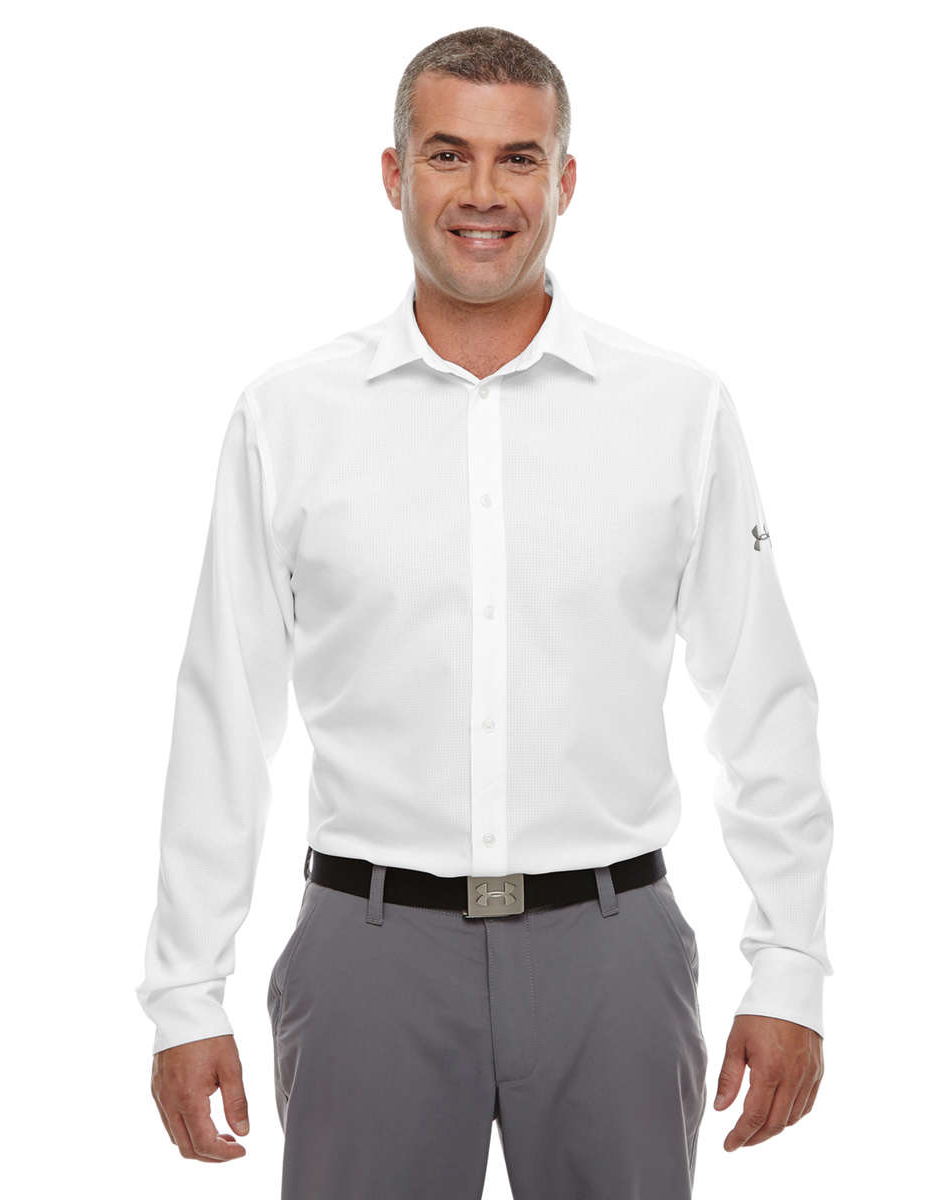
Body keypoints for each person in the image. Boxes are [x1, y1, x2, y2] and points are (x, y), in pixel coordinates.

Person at [135, 25, 833, 1199]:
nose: (483, 194)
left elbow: (764, 700)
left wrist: (792, 968)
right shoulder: (288, 418)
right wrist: (183, 995)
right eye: (448, 154)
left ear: (565, 180)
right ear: (394, 173)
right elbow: (223, 716)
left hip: (614, 952)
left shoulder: (679, 410)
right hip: (367, 958)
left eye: (519, 159)